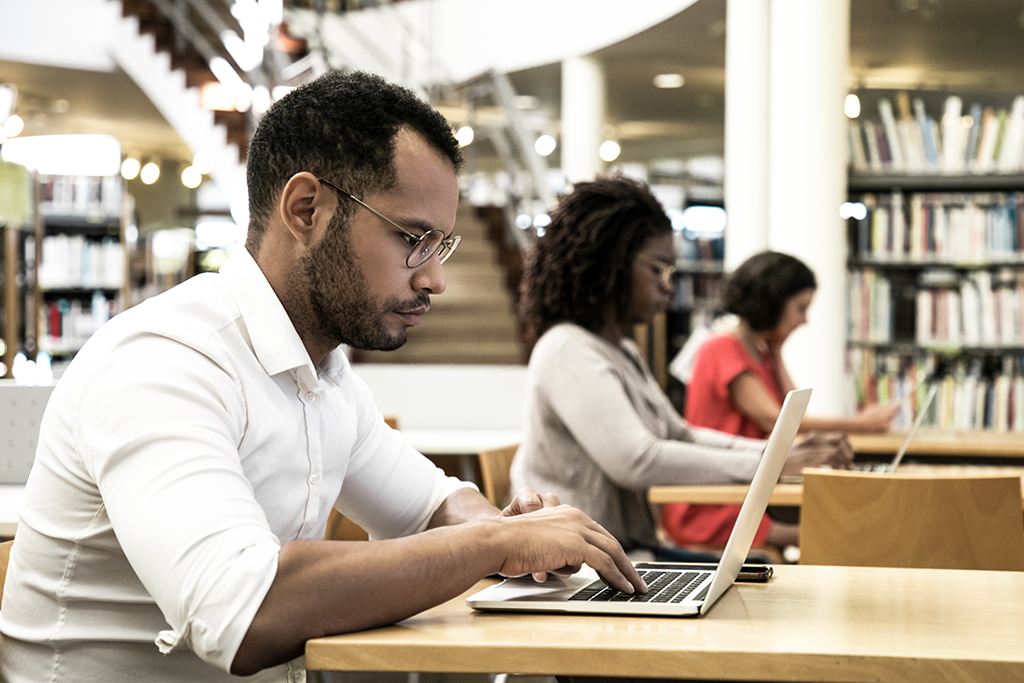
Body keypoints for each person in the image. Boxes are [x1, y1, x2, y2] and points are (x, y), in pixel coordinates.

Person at [0, 70, 645, 683]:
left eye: (441, 246)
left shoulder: (326, 376)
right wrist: (496, 544)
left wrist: (511, 528)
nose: (435, 280)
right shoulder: (165, 360)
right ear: (306, 210)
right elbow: (244, 614)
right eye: (414, 239)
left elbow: (433, 508)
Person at [509, 175, 853, 562]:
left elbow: (680, 434)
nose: (669, 289)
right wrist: (773, 461)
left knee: (763, 572)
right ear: (611, 265)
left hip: (626, 553)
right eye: (659, 270)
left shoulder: (620, 350)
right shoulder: (567, 349)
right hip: (584, 567)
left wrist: (779, 451)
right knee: (767, 572)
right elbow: (637, 461)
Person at [662, 250, 898, 549]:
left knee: (838, 524)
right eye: (800, 308)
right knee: (837, 531)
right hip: (712, 503)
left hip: (744, 491)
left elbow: (792, 411)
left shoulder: (759, 351)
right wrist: (862, 424)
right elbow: (777, 420)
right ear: (772, 304)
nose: (804, 320)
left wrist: (775, 351)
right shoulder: (721, 348)